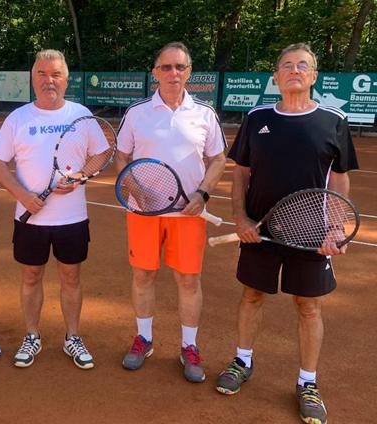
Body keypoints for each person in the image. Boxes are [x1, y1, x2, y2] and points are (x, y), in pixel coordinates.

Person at [215, 43, 358, 424]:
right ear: (275, 77)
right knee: (251, 295)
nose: (295, 71)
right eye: (287, 66)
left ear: (313, 76)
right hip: (259, 233)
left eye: (303, 66)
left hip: (311, 235)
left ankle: (307, 383)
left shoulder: (333, 120)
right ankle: (242, 361)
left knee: (308, 306)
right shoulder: (257, 117)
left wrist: (334, 226)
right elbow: (240, 174)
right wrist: (241, 219)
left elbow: (339, 181)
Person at [115, 41, 227, 382]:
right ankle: (144, 339)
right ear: (155, 73)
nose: (173, 73)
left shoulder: (204, 113)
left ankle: (189, 346)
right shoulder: (137, 112)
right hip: (144, 213)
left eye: (180, 67)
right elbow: (121, 156)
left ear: (189, 72)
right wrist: (138, 191)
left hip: (188, 215)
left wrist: (203, 193)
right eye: (166, 67)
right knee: (143, 275)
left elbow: (218, 158)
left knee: (188, 280)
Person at [0, 49, 106, 370]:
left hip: (73, 219)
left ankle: (72, 337)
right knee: (30, 277)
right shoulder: (18, 118)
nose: (48, 80)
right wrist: (22, 195)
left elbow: (101, 153)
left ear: (66, 80)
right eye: (42, 74)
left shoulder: (81, 115)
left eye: (55, 74)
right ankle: (31, 335)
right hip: (30, 220)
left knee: (71, 276)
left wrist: (80, 176)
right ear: (33, 79)